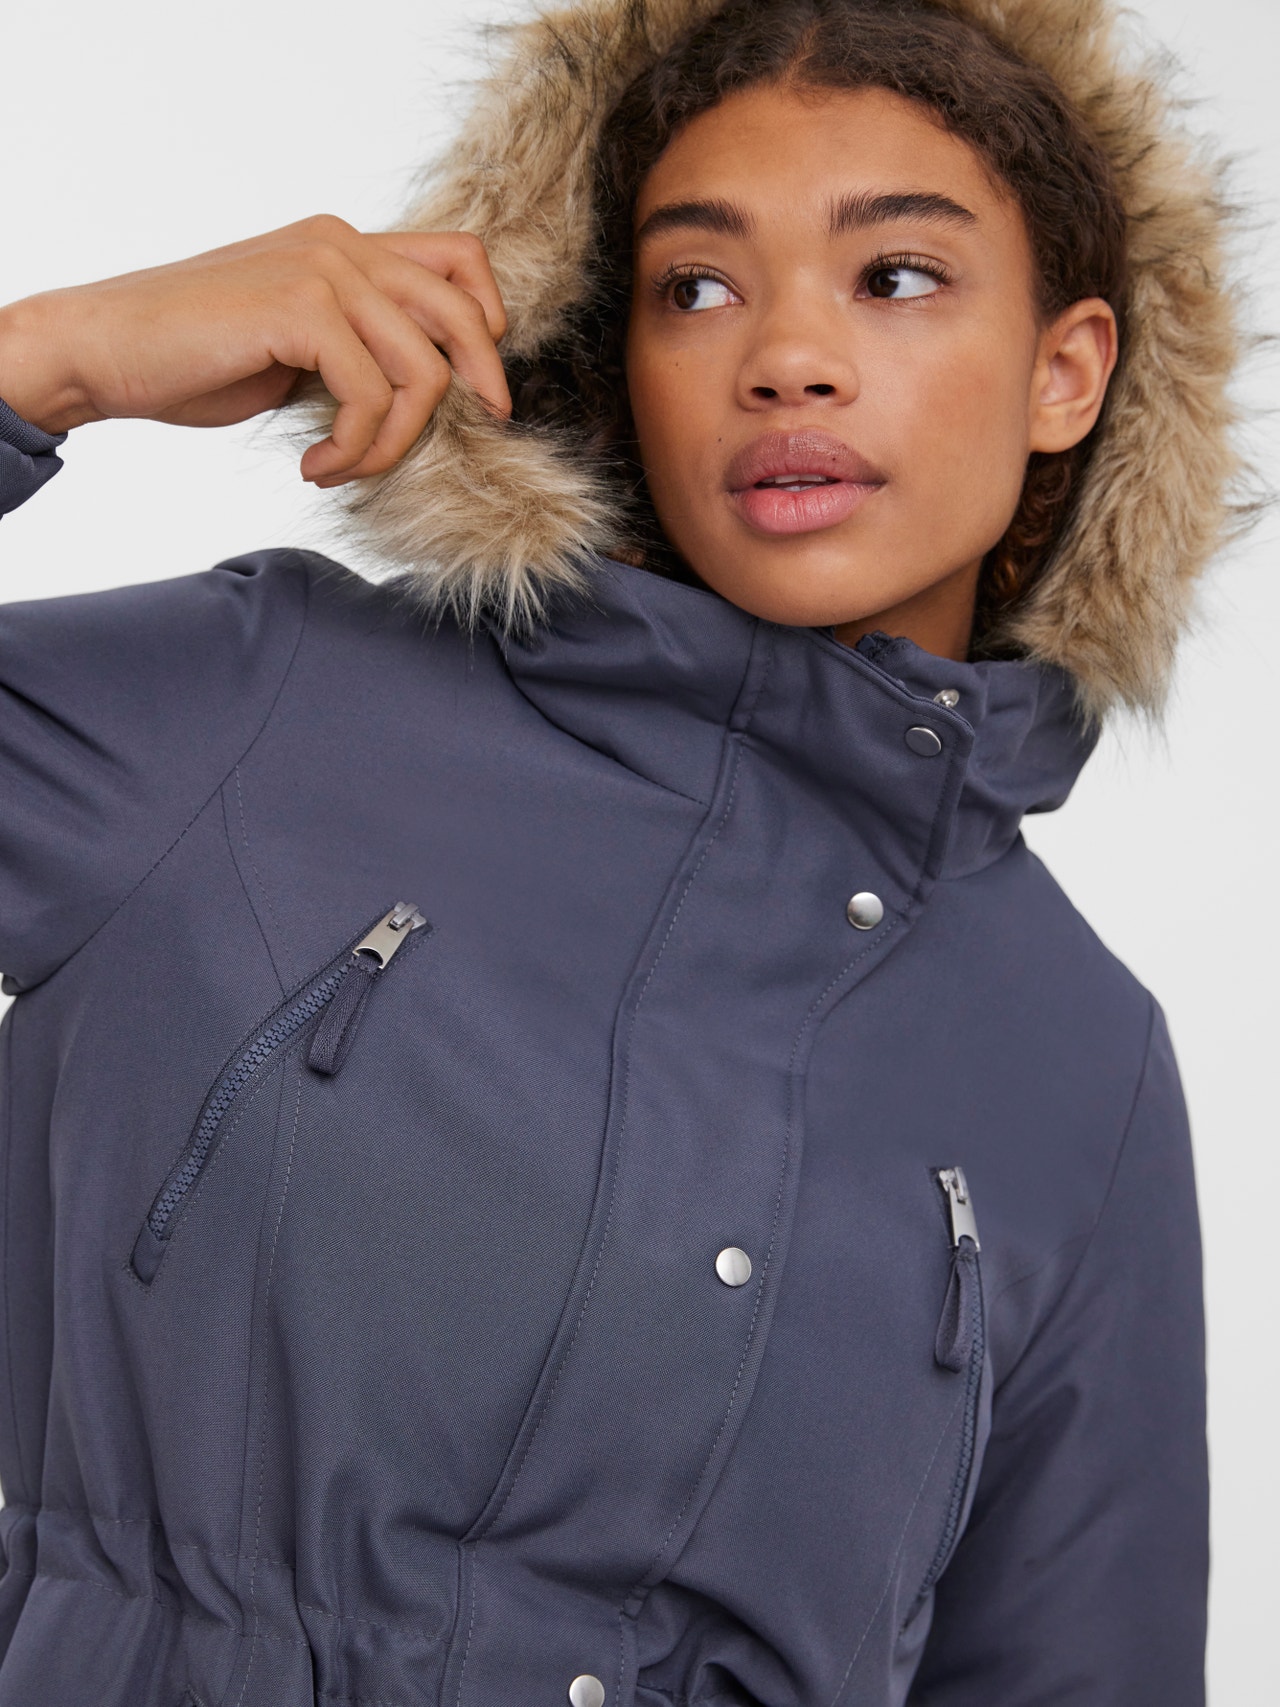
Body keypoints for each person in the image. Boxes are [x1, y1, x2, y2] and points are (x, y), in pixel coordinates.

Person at [0, 0, 1245, 1703]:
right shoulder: (261, 708)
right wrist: (47, 360)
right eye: (698, 288)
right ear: (613, 346)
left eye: (894, 277)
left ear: (1067, 373)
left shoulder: (1082, 1064)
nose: (786, 358)